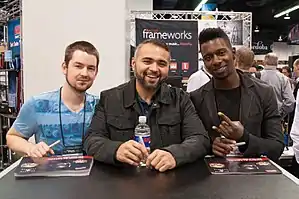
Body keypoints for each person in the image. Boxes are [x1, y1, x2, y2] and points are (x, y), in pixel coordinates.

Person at [84, 39, 210, 172]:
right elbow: (92, 140)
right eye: (147, 61)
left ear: (168, 67)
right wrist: (116, 150)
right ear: (133, 63)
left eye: (161, 63)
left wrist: (175, 154)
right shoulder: (110, 99)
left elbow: (200, 139)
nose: (154, 69)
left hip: (169, 186)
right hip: (122, 184)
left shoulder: (180, 99)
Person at [190, 28, 284, 161]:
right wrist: (210, 146)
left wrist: (244, 137)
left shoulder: (264, 93)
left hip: (253, 178)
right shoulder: (196, 98)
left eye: (221, 53)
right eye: (208, 57)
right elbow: (190, 141)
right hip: (212, 177)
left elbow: (276, 147)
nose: (216, 61)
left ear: (233, 53)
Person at [6, 41, 99, 157]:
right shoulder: (37, 104)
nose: (84, 73)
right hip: (50, 173)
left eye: (90, 68)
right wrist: (31, 148)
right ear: (65, 68)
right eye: (78, 66)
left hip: (91, 173)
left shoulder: (100, 105)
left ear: (96, 73)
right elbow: (12, 137)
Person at [260, 53, 295, 119]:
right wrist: (281, 113)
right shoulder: (283, 78)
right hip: (275, 117)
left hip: (258, 117)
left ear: (264, 62)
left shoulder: (255, 76)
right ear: (277, 63)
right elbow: (290, 101)